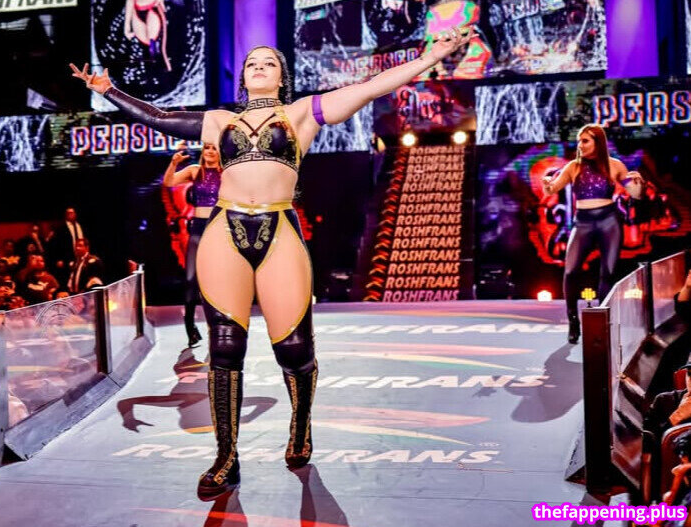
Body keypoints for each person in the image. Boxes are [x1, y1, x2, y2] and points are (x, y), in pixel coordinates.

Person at [70, 28, 470, 499]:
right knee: (224, 347)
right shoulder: (219, 120)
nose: (259, 67)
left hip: (279, 230)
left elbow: (370, 87)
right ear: (243, 78)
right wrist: (108, 90)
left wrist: (430, 57)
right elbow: (159, 117)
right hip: (224, 230)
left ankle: (300, 426)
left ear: (282, 77)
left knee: (295, 349)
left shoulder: (303, 112)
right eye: (252, 63)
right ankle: (226, 458)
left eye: (269, 63)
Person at [542, 125, 644, 344]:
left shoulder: (615, 165)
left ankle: (601, 323)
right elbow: (552, 189)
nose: (580, 145)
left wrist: (637, 183)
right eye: (579, 141)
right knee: (570, 271)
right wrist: (547, 185)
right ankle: (573, 321)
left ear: (598, 142)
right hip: (583, 222)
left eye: (585, 141)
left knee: (608, 273)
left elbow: (635, 194)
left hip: (609, 221)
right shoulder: (573, 166)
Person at [162, 144, 222, 347]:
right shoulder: (195, 171)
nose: (210, 151)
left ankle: (217, 328)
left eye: (214, 148)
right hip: (197, 230)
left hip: (218, 230)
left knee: (216, 283)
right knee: (190, 280)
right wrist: (173, 163)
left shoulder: (227, 173)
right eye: (207, 148)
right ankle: (190, 325)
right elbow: (169, 182)